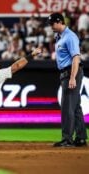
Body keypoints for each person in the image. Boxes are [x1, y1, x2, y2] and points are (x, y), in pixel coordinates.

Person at [47, 12, 87, 147]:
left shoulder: (70, 37)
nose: (51, 26)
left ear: (59, 22)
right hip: (66, 72)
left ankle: (67, 139)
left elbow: (76, 57)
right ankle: (81, 138)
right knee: (75, 107)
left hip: (71, 71)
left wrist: (72, 77)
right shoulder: (59, 36)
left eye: (52, 23)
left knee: (67, 107)